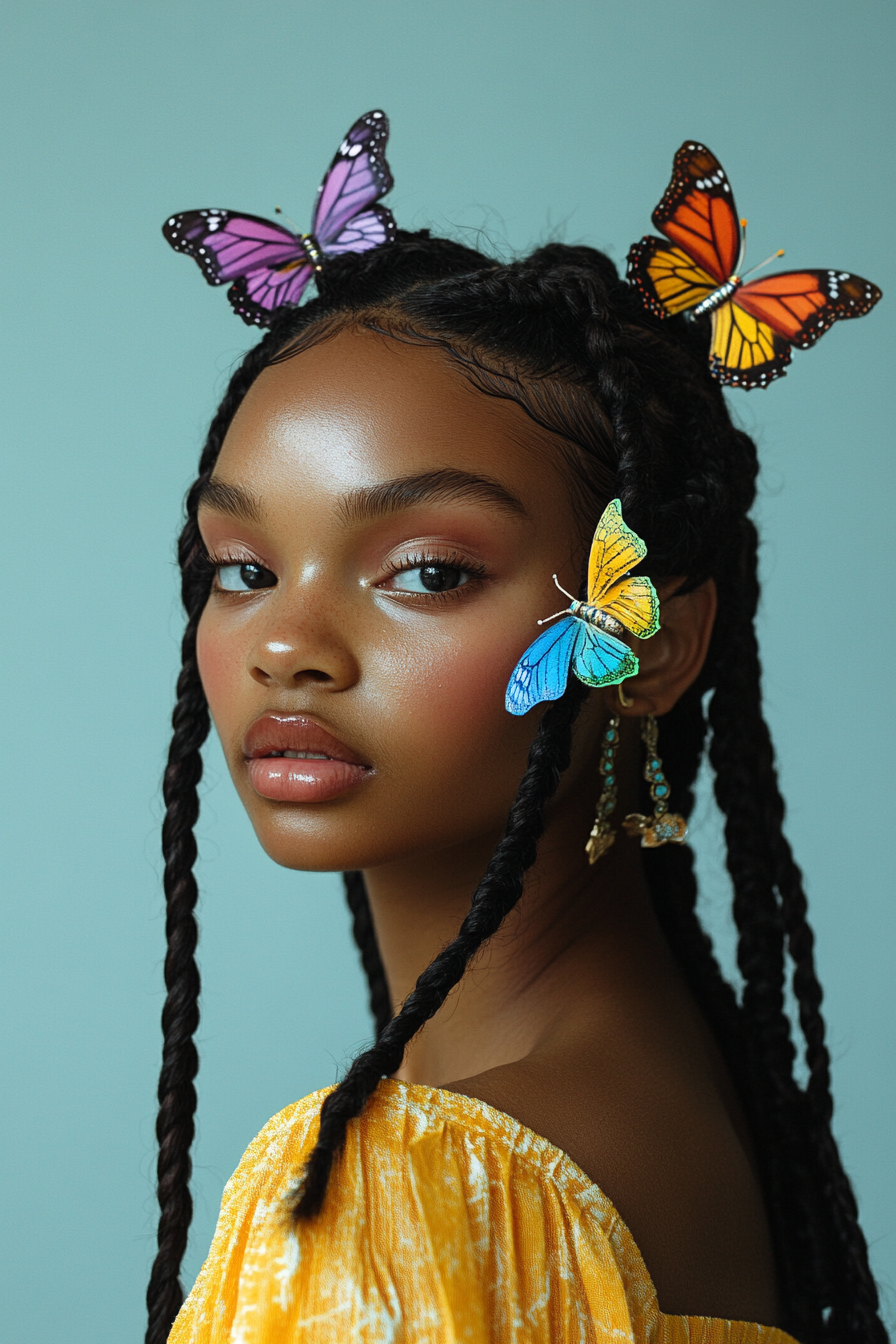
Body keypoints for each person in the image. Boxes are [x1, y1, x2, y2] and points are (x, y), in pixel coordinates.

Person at [146, 135, 886, 1344]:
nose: (287, 644)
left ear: (646, 643)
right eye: (243, 567)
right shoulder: (698, 1095)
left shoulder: (420, 1183)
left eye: (427, 571)